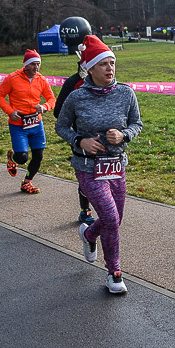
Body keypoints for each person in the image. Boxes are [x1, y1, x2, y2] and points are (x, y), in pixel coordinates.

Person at [56, 36, 142, 294]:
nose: (109, 69)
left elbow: (137, 124)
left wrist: (124, 135)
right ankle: (114, 272)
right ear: (90, 68)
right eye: (103, 64)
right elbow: (61, 126)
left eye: (112, 63)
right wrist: (80, 140)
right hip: (88, 168)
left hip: (116, 166)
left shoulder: (126, 93)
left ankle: (89, 235)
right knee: (110, 217)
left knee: (115, 219)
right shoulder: (76, 97)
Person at [0, 49, 55, 194]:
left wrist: (45, 107)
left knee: (38, 155)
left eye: (38, 64)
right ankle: (12, 157)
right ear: (26, 65)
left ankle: (27, 182)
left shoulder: (41, 79)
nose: (36, 67)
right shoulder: (12, 78)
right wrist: (10, 111)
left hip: (36, 124)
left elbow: (52, 99)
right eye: (33, 64)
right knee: (22, 158)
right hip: (18, 125)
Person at [53, 57, 96, 225]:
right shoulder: (72, 83)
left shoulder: (108, 84)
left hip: (106, 139)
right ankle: (85, 210)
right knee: (87, 174)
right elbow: (58, 113)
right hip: (81, 138)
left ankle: (106, 206)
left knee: (101, 176)